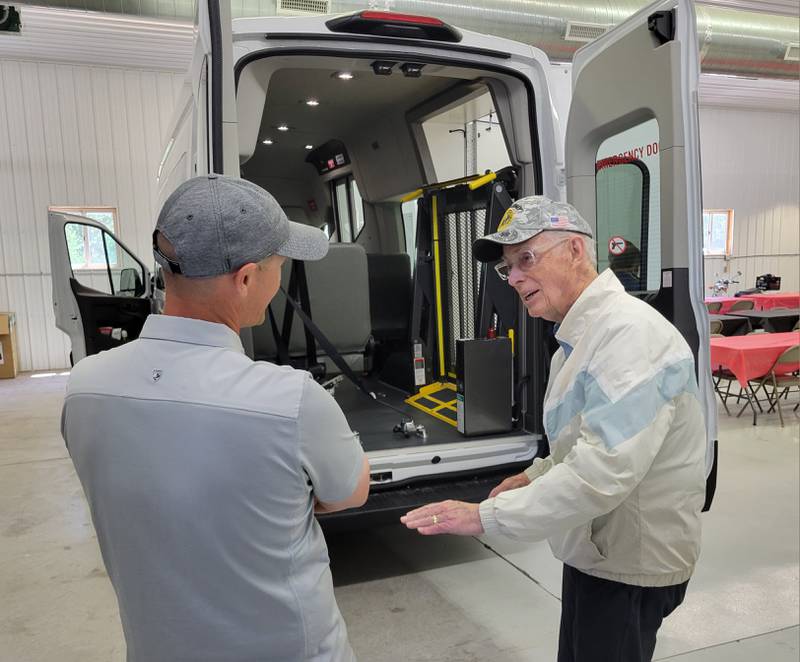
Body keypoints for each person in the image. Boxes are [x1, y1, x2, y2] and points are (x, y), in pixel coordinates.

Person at [61, 174, 369, 662]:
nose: (279, 279)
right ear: (246, 279)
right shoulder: (292, 401)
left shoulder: (84, 387)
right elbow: (350, 493)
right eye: (279, 266)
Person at [401, 196, 706, 662]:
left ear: (576, 252)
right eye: (508, 268)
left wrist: (484, 518)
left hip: (630, 562)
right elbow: (585, 439)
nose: (516, 277)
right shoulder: (578, 337)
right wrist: (535, 475)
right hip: (599, 548)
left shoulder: (628, 336)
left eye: (526, 258)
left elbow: (601, 470)